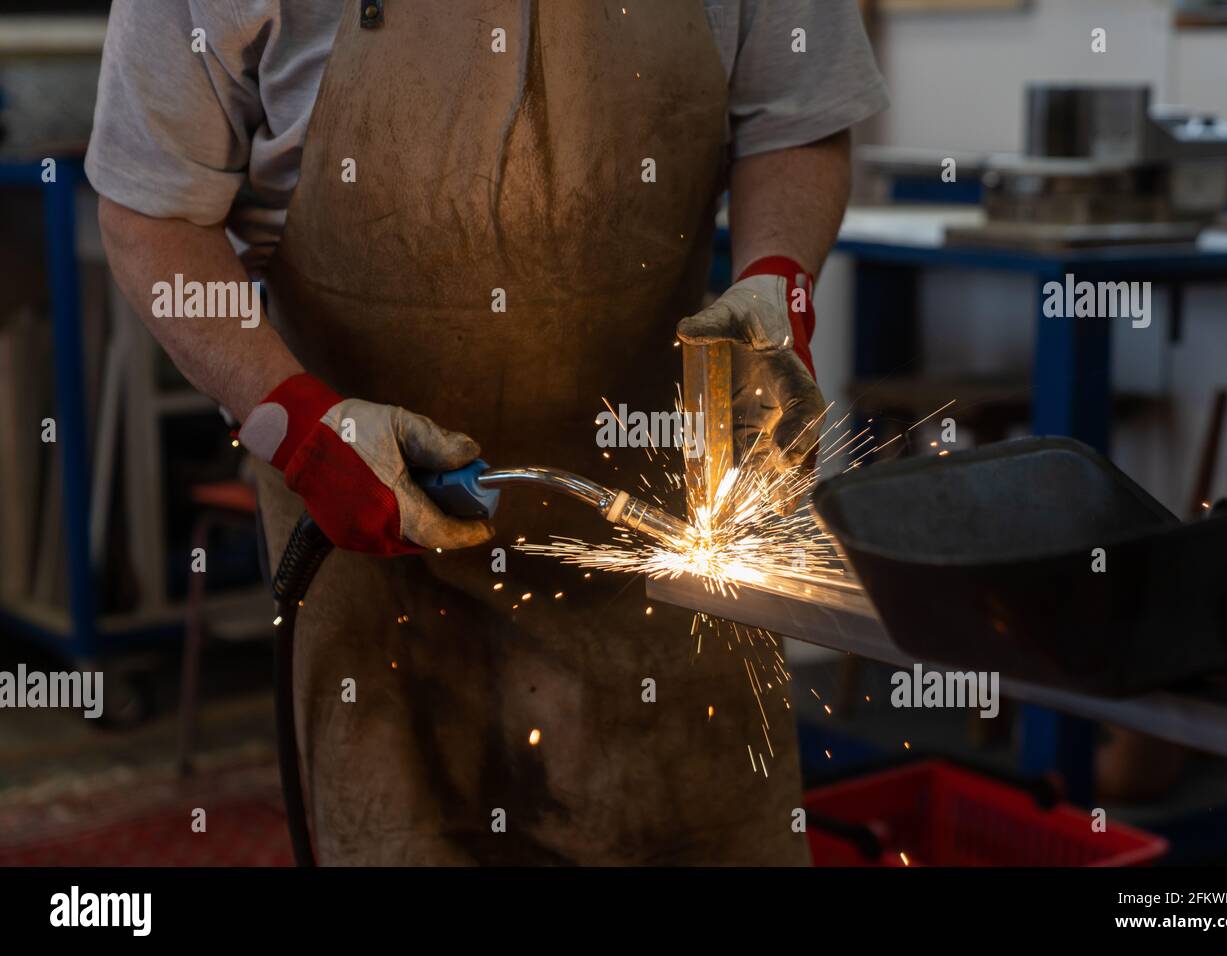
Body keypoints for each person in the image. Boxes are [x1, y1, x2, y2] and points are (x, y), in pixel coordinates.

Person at [89, 0, 888, 864]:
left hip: (666, 532)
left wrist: (779, 279)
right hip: (371, 519)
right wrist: (296, 423)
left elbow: (797, 121)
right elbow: (151, 211)